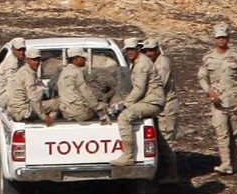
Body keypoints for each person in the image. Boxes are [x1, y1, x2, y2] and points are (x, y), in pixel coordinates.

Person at [197, 23, 237, 175]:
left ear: (228, 38)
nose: (221, 40)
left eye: (224, 37)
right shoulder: (208, 58)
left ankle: (233, 162)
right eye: (219, 37)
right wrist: (209, 92)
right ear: (214, 39)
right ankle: (225, 163)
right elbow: (202, 77)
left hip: (233, 100)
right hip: (218, 102)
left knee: (235, 133)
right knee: (222, 133)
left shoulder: (236, 57)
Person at [110, 38, 166, 166]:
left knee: (124, 117)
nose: (130, 52)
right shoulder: (135, 62)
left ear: (138, 49)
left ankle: (129, 156)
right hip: (146, 100)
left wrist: (125, 104)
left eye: (132, 50)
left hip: (152, 101)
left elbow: (139, 90)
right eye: (127, 50)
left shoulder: (142, 65)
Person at [143, 38, 181, 183]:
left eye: (151, 50)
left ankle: (172, 174)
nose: (148, 53)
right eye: (146, 51)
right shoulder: (152, 63)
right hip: (159, 106)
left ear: (157, 49)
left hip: (166, 107)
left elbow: (159, 85)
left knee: (166, 141)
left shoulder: (162, 63)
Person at [6, 48, 58, 124]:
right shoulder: (28, 75)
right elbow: (33, 99)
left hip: (16, 108)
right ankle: (49, 124)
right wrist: (44, 117)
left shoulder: (24, 70)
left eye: (38, 60)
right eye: (33, 60)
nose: (36, 62)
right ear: (27, 60)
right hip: (23, 110)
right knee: (57, 103)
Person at [57, 47, 106, 122]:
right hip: (80, 113)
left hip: (66, 112)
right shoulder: (77, 72)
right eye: (83, 58)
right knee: (104, 105)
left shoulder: (64, 72)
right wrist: (97, 107)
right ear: (76, 59)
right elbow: (85, 92)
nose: (85, 60)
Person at [0, 37, 26, 108]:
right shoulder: (12, 62)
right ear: (13, 49)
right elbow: (12, 83)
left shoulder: (21, 59)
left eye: (23, 50)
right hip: (3, 96)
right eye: (19, 50)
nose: (21, 52)